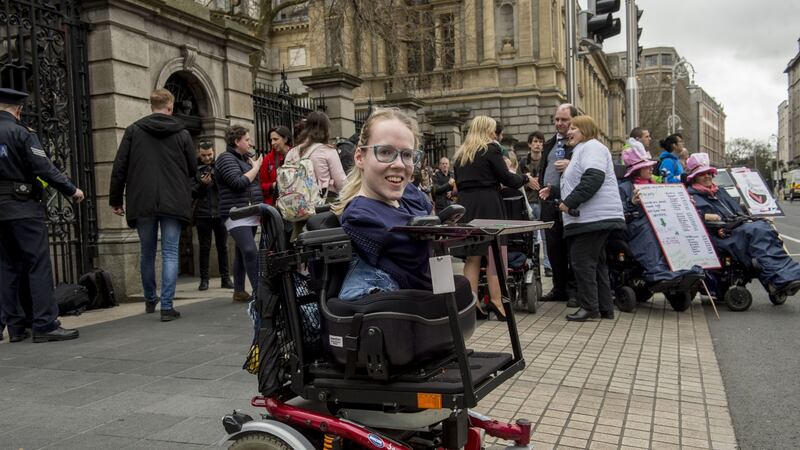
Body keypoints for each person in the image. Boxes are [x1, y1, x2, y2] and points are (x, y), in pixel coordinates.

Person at [0, 88, 84, 342]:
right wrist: (71, 189)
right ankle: (45, 324)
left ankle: (16, 328)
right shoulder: (21, 133)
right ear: (17, 109)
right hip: (23, 207)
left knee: (6, 267)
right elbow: (43, 167)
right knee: (37, 264)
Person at [110, 88, 195, 322]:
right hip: (174, 200)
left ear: (151, 106)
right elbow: (192, 168)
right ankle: (167, 306)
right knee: (169, 252)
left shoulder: (133, 130)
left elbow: (119, 168)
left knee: (147, 251)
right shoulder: (182, 133)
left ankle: (150, 298)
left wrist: (115, 200)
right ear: (170, 106)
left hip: (142, 199)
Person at [333, 108, 432, 300]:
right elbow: (417, 254)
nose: (399, 164)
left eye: (407, 155)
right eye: (386, 152)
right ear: (360, 157)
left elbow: (426, 213)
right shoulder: (359, 215)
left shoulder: (406, 195)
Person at [453, 115, 537, 321]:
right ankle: (497, 301)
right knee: (496, 254)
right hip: (488, 203)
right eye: (492, 129)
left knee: (473, 256)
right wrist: (525, 178)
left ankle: (472, 304)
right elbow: (507, 178)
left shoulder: (461, 154)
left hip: (467, 205)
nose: (494, 133)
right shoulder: (491, 149)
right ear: (486, 130)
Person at [541, 115, 624, 321]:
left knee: (581, 261)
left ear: (585, 130)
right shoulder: (582, 150)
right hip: (593, 216)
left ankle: (590, 308)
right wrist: (554, 192)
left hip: (591, 217)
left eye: (574, 128)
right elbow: (577, 181)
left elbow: (593, 178)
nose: (569, 131)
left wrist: (568, 203)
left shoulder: (591, 148)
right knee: (597, 263)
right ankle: (604, 307)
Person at [686, 153, 800, 298]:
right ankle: (779, 279)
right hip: (720, 235)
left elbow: (737, 210)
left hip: (737, 228)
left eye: (709, 172)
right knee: (756, 231)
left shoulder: (719, 191)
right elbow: (690, 218)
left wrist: (759, 212)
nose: (708, 176)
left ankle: (785, 275)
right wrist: (706, 217)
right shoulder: (691, 196)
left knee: (765, 227)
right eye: (702, 174)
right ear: (694, 177)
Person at [618, 142, 701, 283]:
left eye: (651, 165)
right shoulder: (624, 188)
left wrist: (685, 203)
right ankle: (656, 271)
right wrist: (632, 203)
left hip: (657, 222)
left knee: (676, 227)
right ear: (637, 170)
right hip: (636, 226)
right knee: (650, 229)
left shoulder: (656, 185)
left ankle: (680, 265)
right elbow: (620, 214)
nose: (652, 168)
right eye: (647, 166)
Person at [216, 125, 263, 303]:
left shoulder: (245, 158)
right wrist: (256, 168)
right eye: (247, 140)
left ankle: (239, 291)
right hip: (235, 212)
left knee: (241, 251)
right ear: (237, 141)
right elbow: (238, 183)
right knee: (250, 251)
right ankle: (259, 292)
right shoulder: (225, 158)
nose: (250, 143)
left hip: (249, 211)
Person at [538, 104, 579, 304]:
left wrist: (572, 164)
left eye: (564, 120)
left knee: (572, 248)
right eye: (556, 119)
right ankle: (559, 287)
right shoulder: (550, 143)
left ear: (573, 120)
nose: (559, 123)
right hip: (549, 202)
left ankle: (574, 291)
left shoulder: (581, 144)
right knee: (553, 248)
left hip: (570, 202)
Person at [192, 141, 233, 291]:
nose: (207, 158)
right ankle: (204, 280)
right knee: (204, 247)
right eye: (204, 155)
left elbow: (227, 187)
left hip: (220, 212)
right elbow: (191, 192)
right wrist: (202, 184)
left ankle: (225, 278)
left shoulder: (220, 167)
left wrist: (215, 179)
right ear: (198, 153)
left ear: (214, 152)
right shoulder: (194, 169)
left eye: (209, 154)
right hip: (203, 214)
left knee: (223, 246)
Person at [285, 111, 346, 203]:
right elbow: (341, 183)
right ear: (326, 129)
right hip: (322, 205)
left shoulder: (292, 152)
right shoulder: (328, 151)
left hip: (296, 205)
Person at [519, 131, 551, 275]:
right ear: (530, 144)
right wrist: (528, 184)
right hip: (530, 202)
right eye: (535, 142)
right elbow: (517, 182)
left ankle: (548, 266)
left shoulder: (547, 160)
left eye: (540, 142)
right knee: (531, 236)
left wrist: (541, 182)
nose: (538, 144)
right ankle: (534, 265)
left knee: (546, 236)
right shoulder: (523, 162)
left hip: (543, 201)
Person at [259, 125, 292, 205]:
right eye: (271, 140)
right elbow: (261, 185)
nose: (272, 143)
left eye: (276, 139)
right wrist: (272, 186)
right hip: (276, 206)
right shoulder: (267, 159)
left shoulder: (297, 155)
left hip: (295, 203)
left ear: (285, 139)